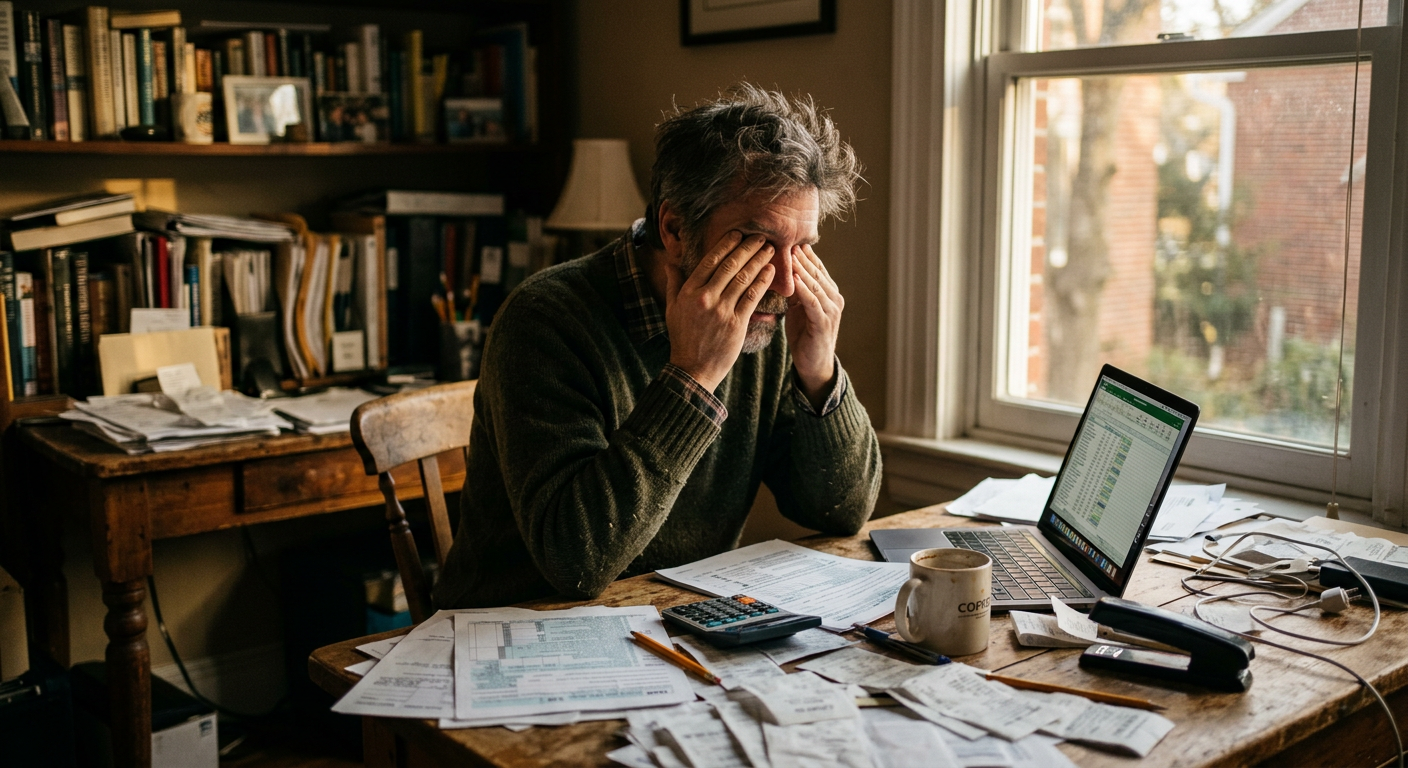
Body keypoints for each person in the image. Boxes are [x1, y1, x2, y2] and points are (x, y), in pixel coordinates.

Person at [434, 84, 883, 608]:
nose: (785, 284)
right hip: (512, 631)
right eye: (758, 242)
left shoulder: (766, 315)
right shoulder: (544, 320)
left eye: (802, 247)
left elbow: (840, 511)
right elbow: (576, 563)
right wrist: (692, 376)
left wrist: (818, 371)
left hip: (673, 622)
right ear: (673, 226)